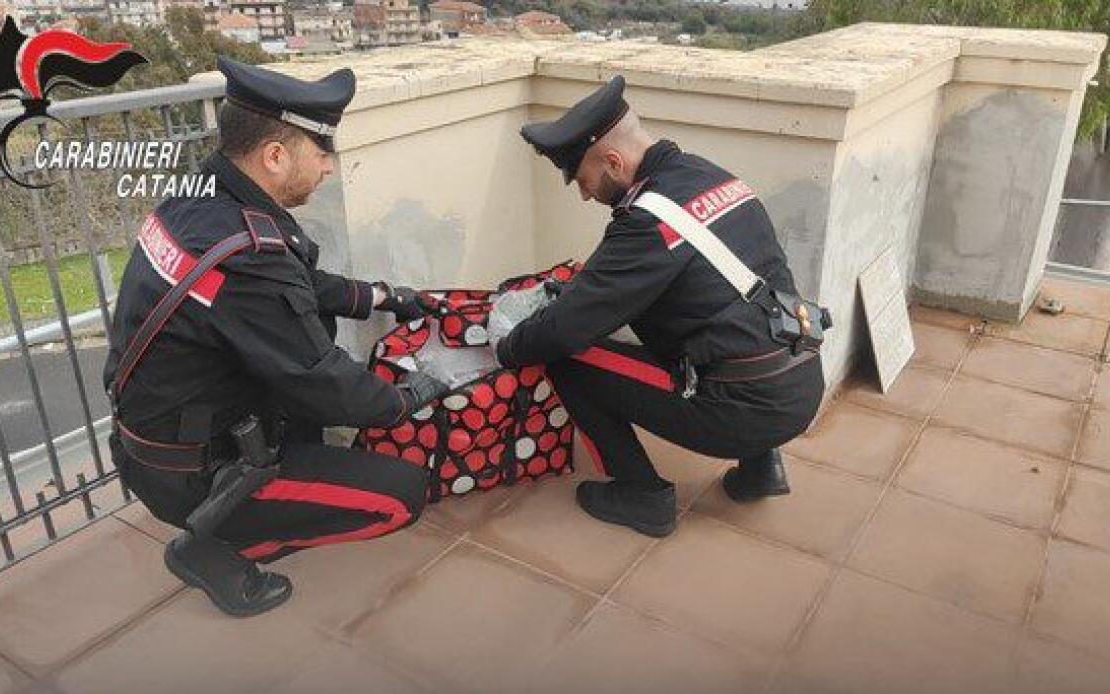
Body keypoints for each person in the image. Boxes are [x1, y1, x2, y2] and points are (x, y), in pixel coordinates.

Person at [103, 57, 447, 617]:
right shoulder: (251, 253)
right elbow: (324, 380)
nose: (330, 168)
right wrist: (405, 400)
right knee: (399, 496)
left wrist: (385, 296)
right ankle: (207, 546)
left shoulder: (204, 200)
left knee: (312, 351)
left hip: (153, 441)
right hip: (194, 473)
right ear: (275, 156)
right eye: (321, 152)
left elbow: (298, 287)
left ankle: (257, 494)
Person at [496, 75, 827, 538]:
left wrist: (507, 349)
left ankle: (642, 495)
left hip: (746, 410)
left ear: (613, 160)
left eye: (584, 179)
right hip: (803, 378)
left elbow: (564, 329)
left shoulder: (647, 223)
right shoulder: (709, 175)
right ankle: (760, 468)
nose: (585, 194)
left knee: (566, 357)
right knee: (731, 315)